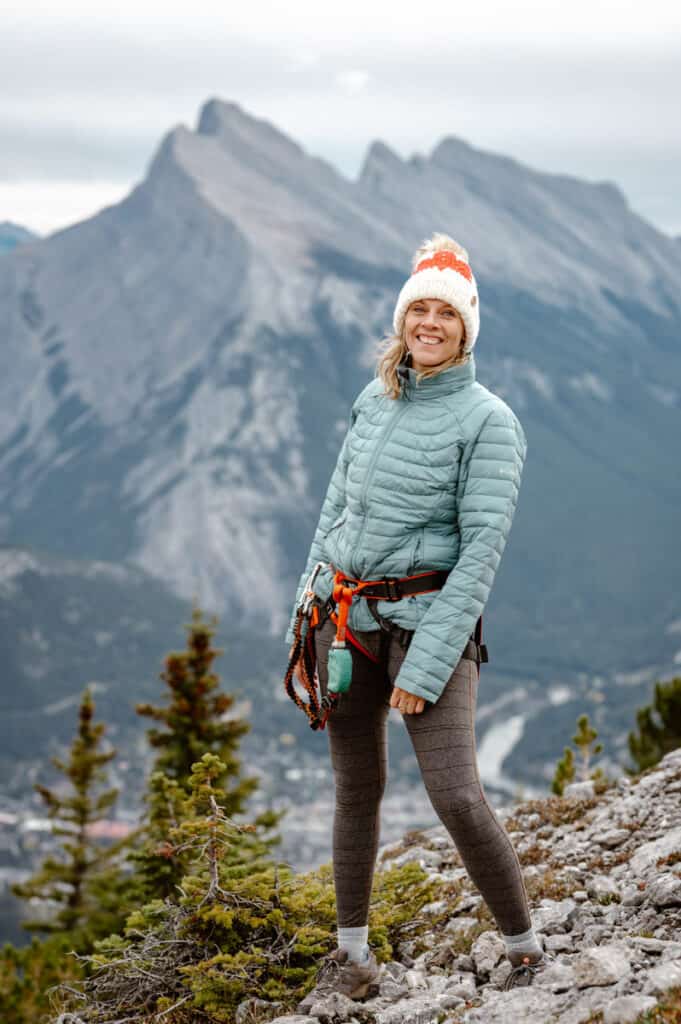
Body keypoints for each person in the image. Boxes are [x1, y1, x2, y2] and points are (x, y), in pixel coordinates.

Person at [285, 232, 552, 1008]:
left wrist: (428, 667)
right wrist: (305, 606)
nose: (428, 324)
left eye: (445, 313)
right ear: (401, 320)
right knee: (353, 790)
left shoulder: (488, 421)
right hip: (343, 619)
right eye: (417, 310)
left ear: (467, 329)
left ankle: (525, 948)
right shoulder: (378, 398)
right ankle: (352, 954)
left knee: (457, 795)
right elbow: (335, 509)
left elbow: (479, 556)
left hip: (425, 628)